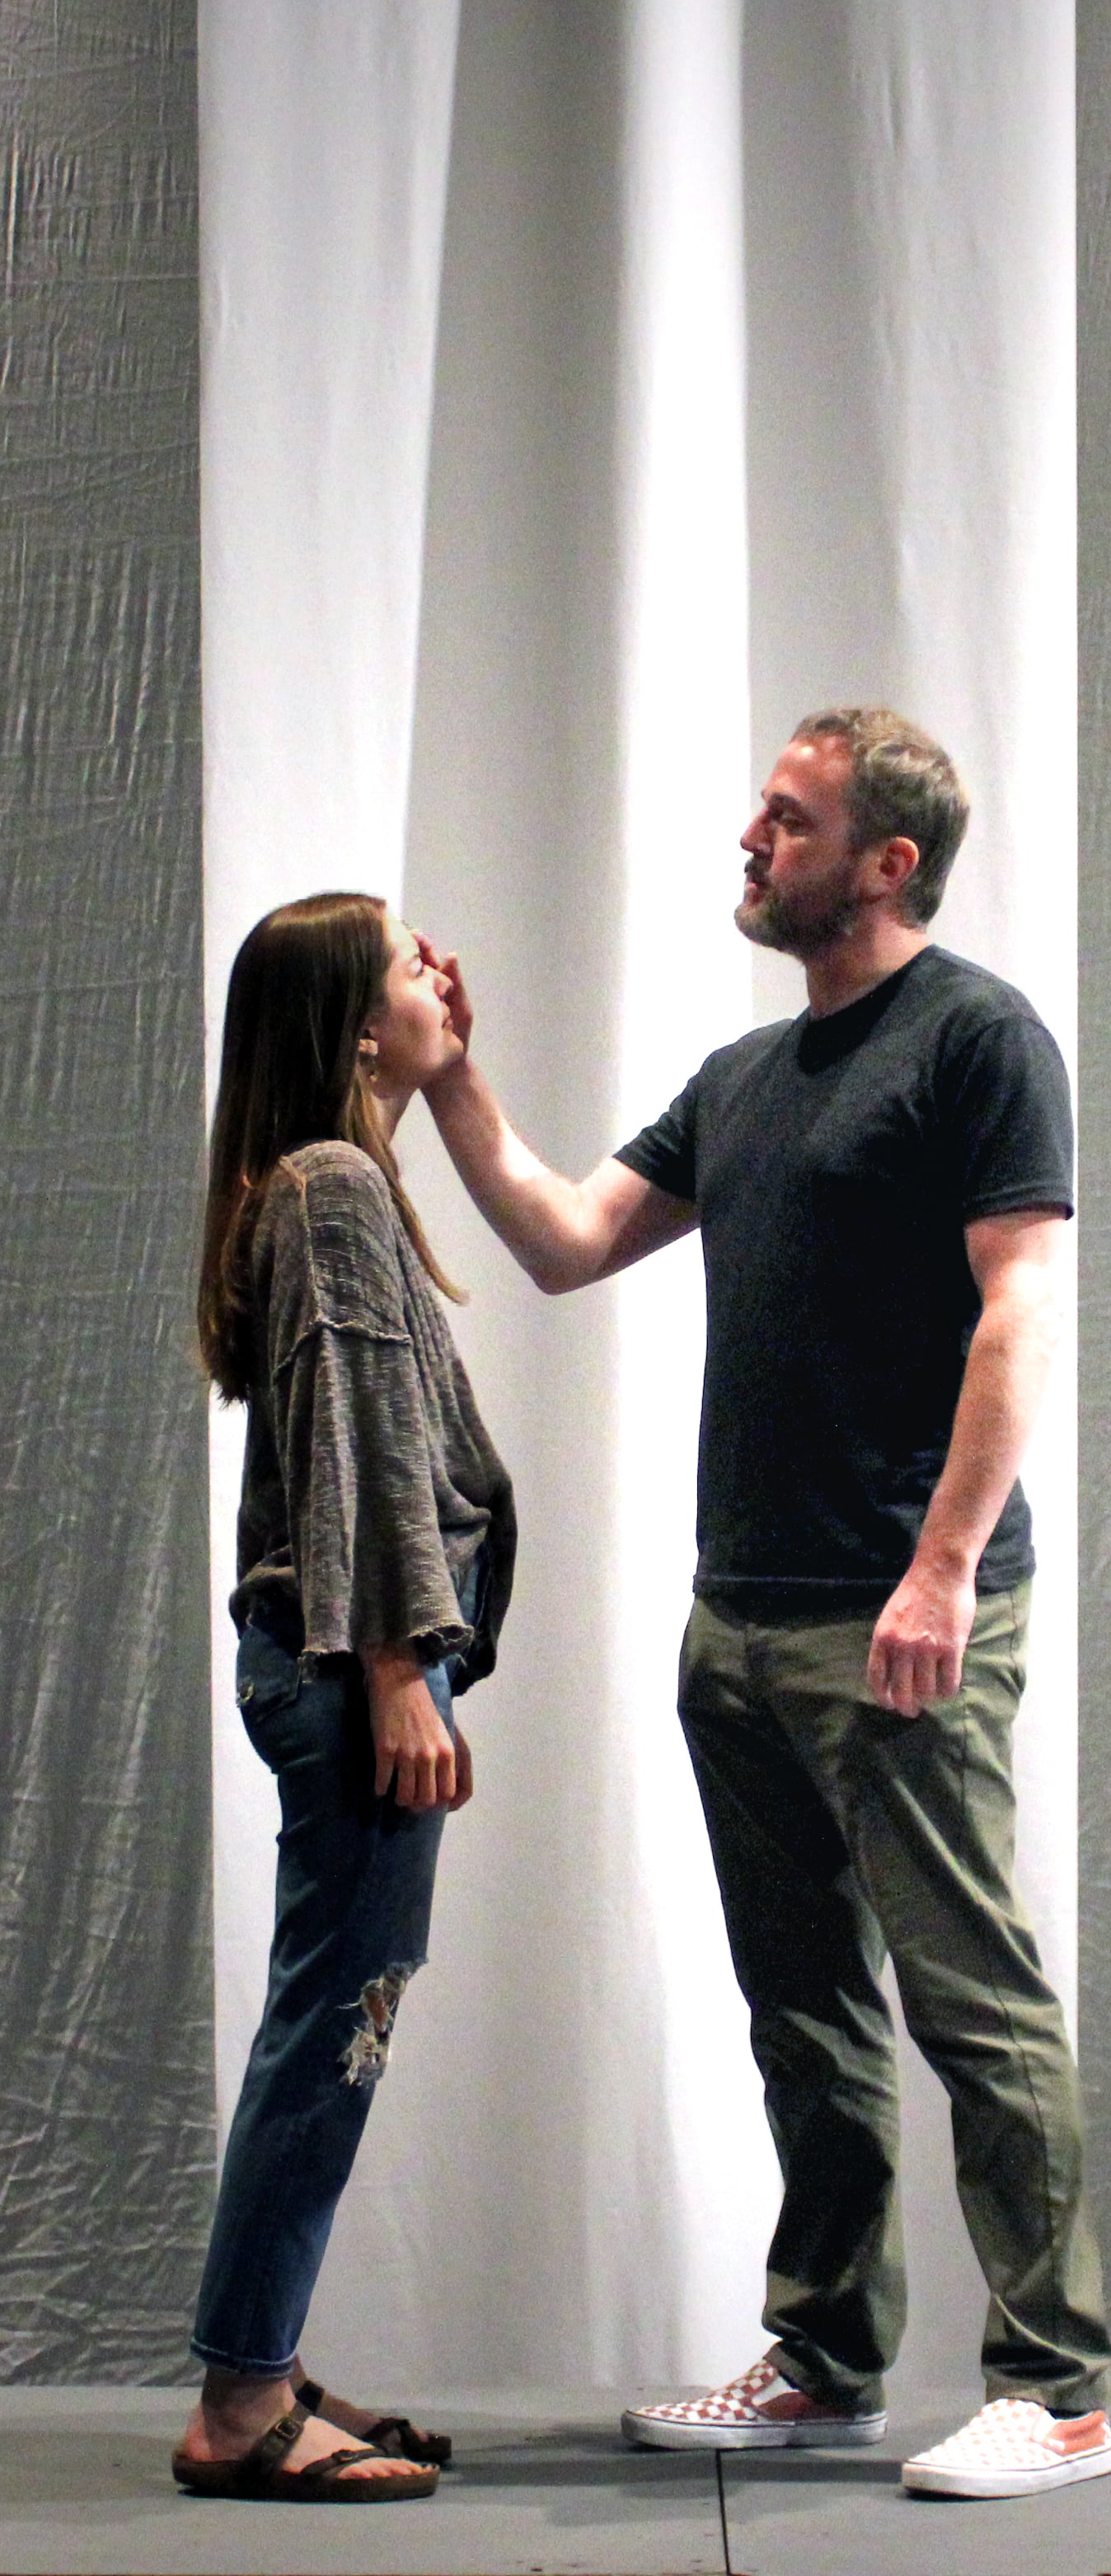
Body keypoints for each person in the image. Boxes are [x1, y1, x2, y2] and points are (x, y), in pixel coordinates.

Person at [420, 709, 1111, 2503]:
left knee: (972, 2004)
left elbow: (1019, 1305)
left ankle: (1054, 2390)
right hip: (738, 1622)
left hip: (900, 1612)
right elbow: (570, 1237)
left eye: (785, 818)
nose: (750, 836)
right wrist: (446, 1084)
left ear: (883, 861)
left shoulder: (975, 1040)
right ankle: (824, 2363)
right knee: (800, 2010)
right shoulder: (743, 1083)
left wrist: (941, 1569)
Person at [173, 894, 515, 2503]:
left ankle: (262, 2364)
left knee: (329, 2017)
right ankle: (242, 2404)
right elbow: (364, 1447)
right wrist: (397, 1669)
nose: (437, 978)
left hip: (336, 1656)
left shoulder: (323, 1180)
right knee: (336, 2026)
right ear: (345, 1024)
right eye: (406, 967)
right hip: (351, 1661)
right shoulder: (326, 1189)